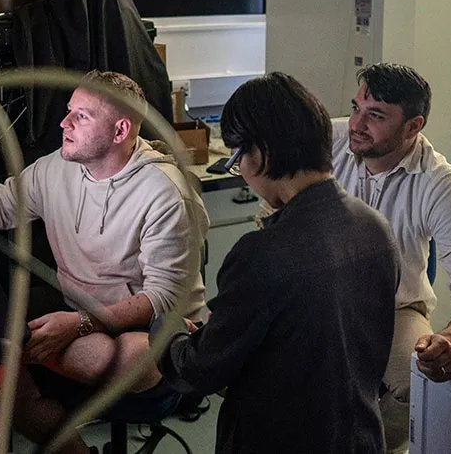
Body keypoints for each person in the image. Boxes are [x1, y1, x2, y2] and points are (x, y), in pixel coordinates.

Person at [0, 70, 209, 454]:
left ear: (120, 130)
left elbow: (160, 301)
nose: (64, 123)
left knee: (119, 357)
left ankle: (20, 347)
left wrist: (77, 324)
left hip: (160, 336)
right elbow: (6, 201)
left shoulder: (164, 193)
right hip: (86, 316)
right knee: (3, 387)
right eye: (68, 111)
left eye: (82, 116)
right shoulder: (60, 166)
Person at [155, 72, 401, 454]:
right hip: (360, 440)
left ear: (259, 153)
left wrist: (167, 336)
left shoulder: (261, 254)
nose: (244, 176)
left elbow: (200, 371)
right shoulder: (376, 228)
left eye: (238, 160)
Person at [335, 63, 451, 453]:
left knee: (417, 383)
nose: (357, 124)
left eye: (375, 115)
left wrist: (448, 340)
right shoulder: (332, 140)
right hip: (321, 299)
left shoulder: (437, 182)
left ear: (414, 127)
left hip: (394, 308)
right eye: (356, 108)